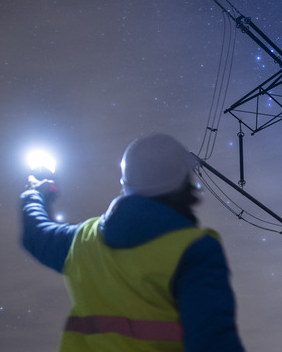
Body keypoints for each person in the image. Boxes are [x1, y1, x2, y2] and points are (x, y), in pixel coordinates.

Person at [20, 133, 246, 352]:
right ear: (184, 184)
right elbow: (213, 342)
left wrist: (36, 194)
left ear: (126, 183)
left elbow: (36, 234)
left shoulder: (84, 240)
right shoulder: (195, 250)